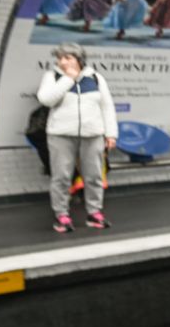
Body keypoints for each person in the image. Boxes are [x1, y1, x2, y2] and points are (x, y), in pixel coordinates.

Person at [37, 42, 117, 233]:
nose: (62, 61)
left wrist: (111, 133)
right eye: (60, 58)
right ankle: (61, 215)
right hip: (61, 135)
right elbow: (46, 99)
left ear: (78, 59)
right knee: (61, 177)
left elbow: (107, 106)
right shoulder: (52, 76)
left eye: (67, 57)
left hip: (93, 135)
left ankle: (94, 213)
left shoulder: (96, 78)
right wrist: (67, 79)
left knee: (95, 176)